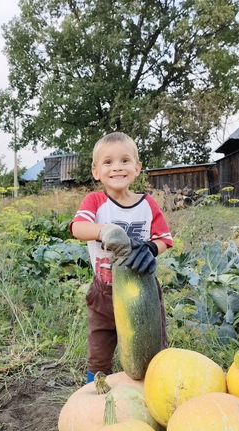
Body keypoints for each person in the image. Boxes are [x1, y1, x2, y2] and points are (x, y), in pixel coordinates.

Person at [71, 132, 173, 383]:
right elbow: (78, 228)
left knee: (151, 350)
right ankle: (97, 390)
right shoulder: (95, 202)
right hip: (104, 291)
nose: (117, 167)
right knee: (100, 351)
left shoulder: (148, 204)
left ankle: (153, 390)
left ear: (137, 168)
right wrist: (104, 230)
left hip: (143, 292)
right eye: (108, 162)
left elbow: (165, 239)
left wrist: (150, 248)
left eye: (125, 160)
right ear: (96, 172)